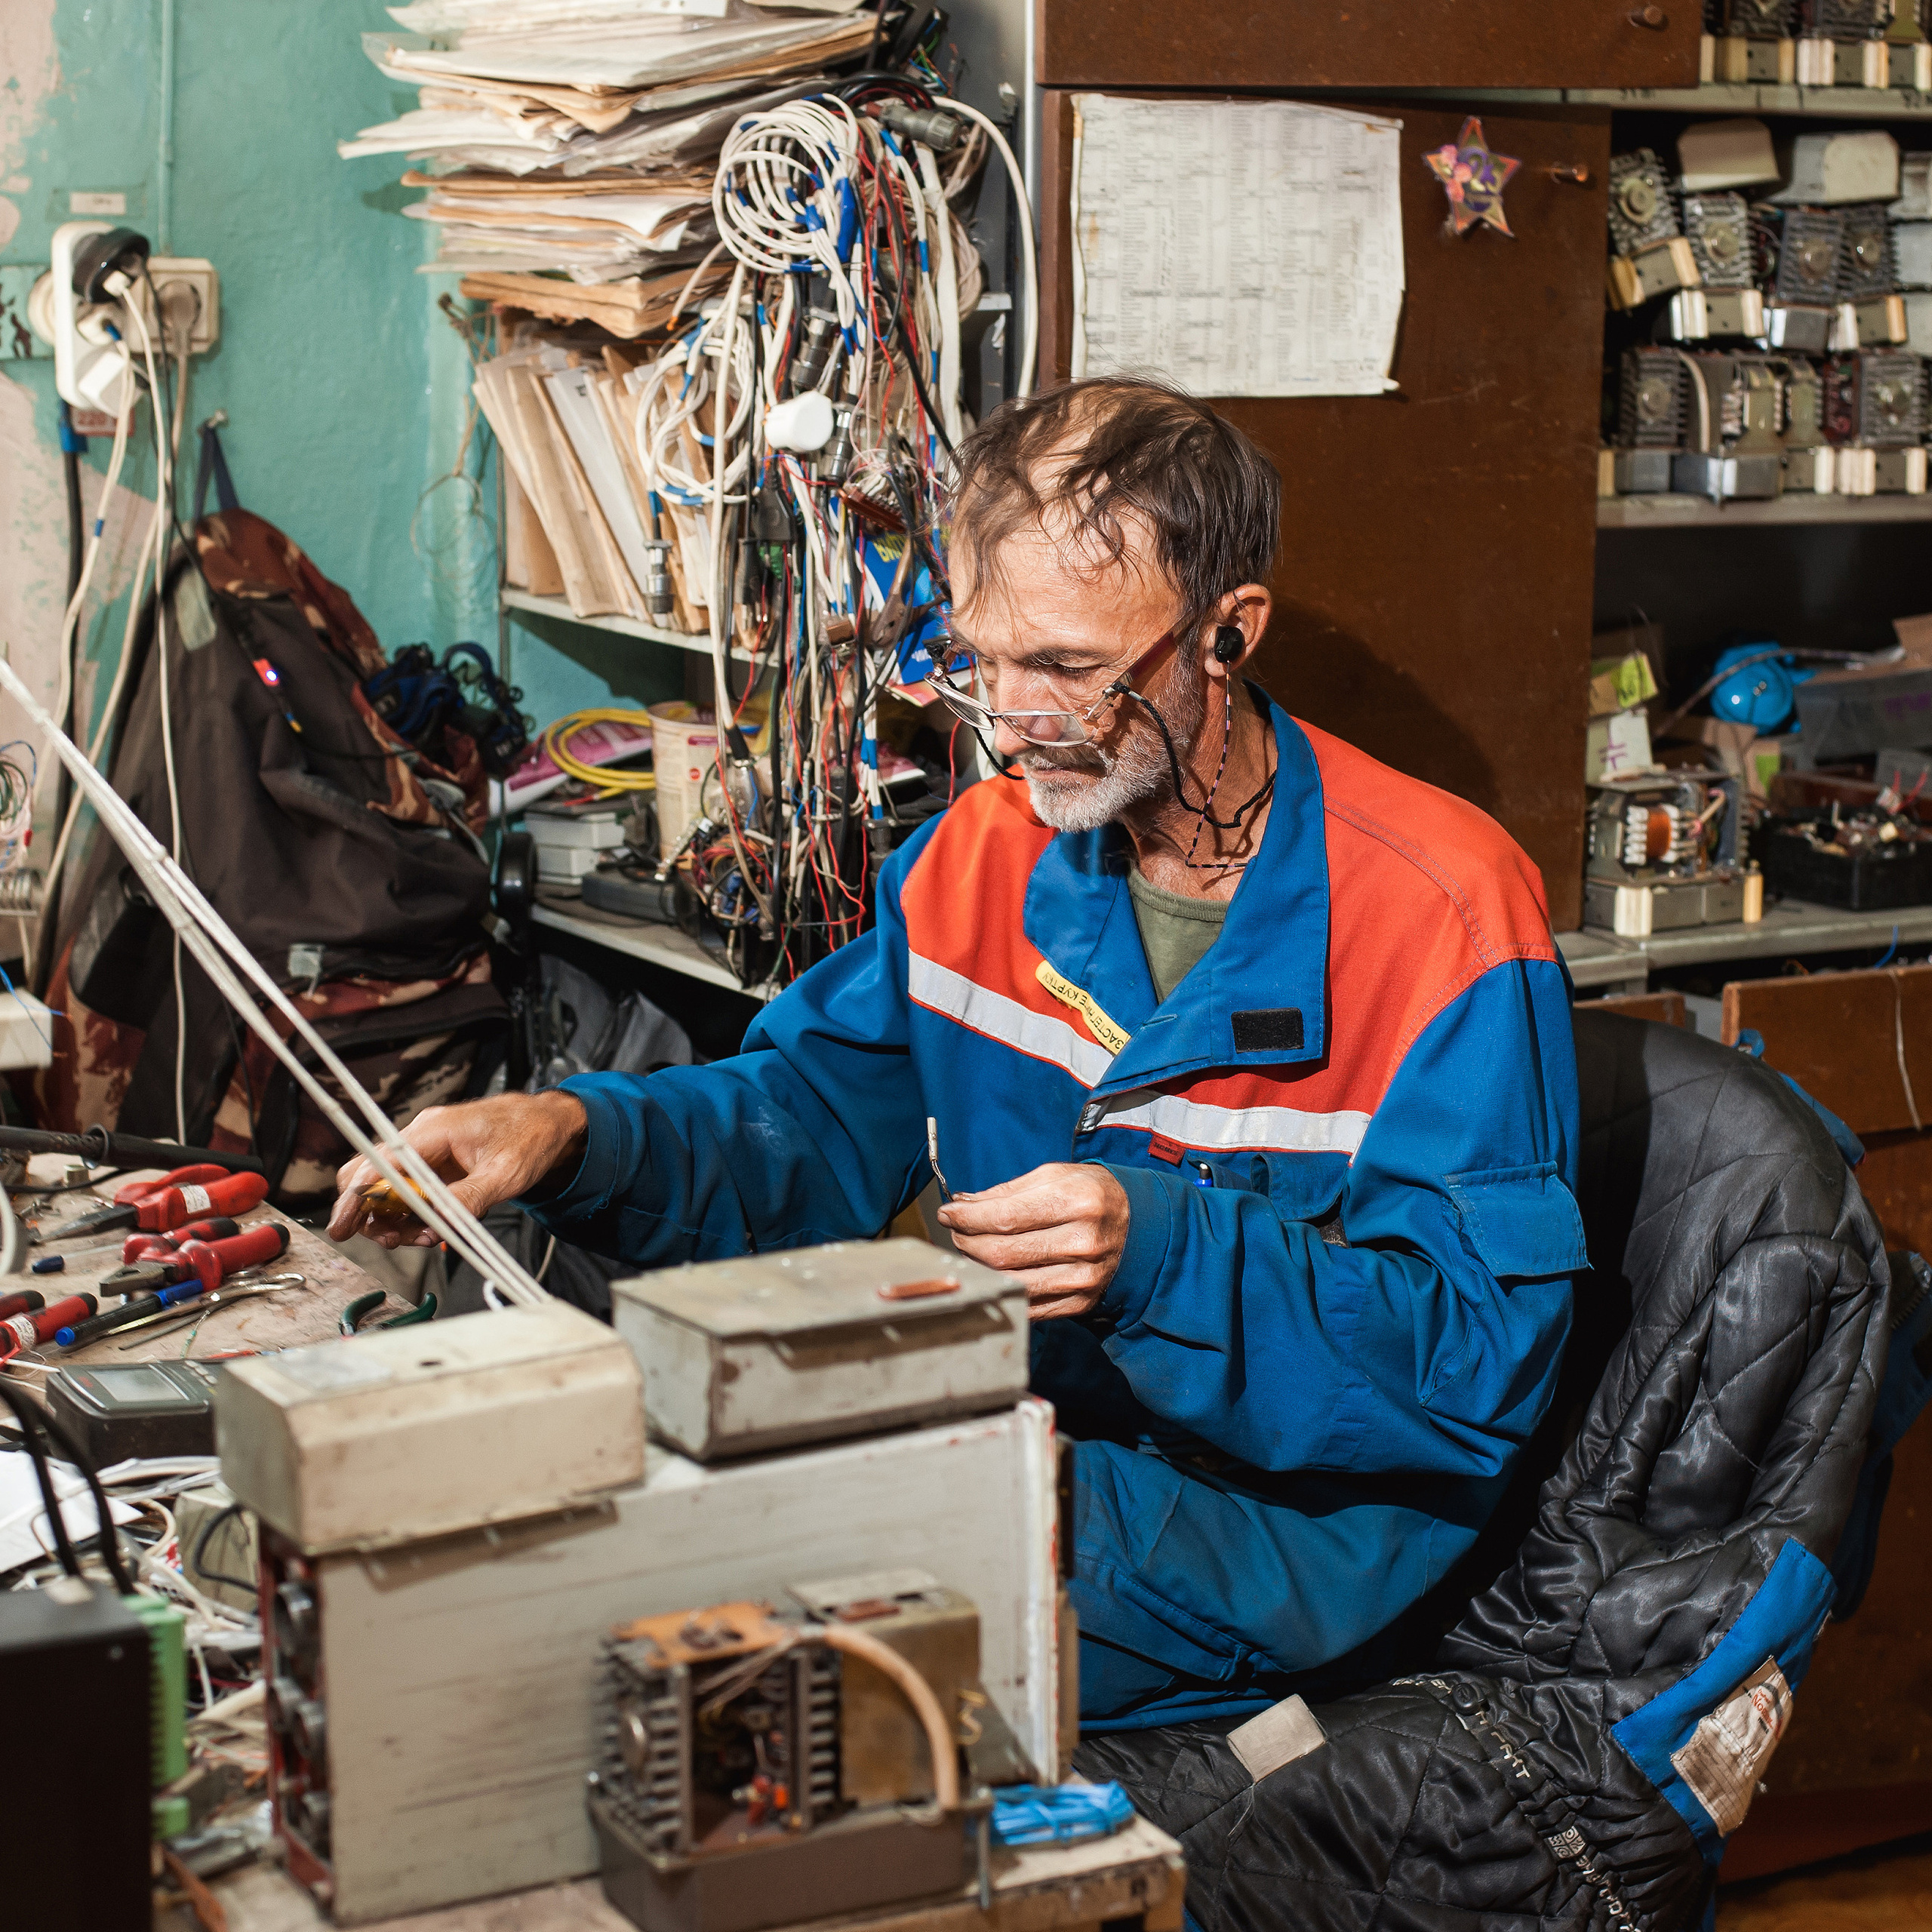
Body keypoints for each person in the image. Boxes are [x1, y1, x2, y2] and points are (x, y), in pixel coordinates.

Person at [330, 378, 1585, 1734]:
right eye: (978, 660)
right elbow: (809, 1120)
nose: (1008, 718)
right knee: (573, 1545)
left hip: (1284, 1528)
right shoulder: (989, 852)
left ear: (1227, 633)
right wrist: (577, 1134)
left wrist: (1161, 1252)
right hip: (1031, 1426)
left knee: (720, 1669)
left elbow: (1472, 1368)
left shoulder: (1445, 913)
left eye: (1061, 669)